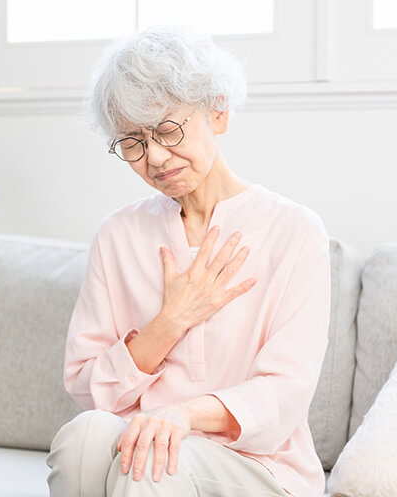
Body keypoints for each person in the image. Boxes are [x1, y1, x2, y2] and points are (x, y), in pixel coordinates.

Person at [46, 24, 331, 497]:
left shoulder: (295, 231)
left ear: (217, 111)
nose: (155, 157)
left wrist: (181, 414)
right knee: (83, 437)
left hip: (258, 468)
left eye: (167, 129)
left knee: (155, 465)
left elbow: (285, 392)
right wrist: (171, 321)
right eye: (133, 142)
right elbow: (88, 387)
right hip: (145, 449)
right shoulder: (118, 235)